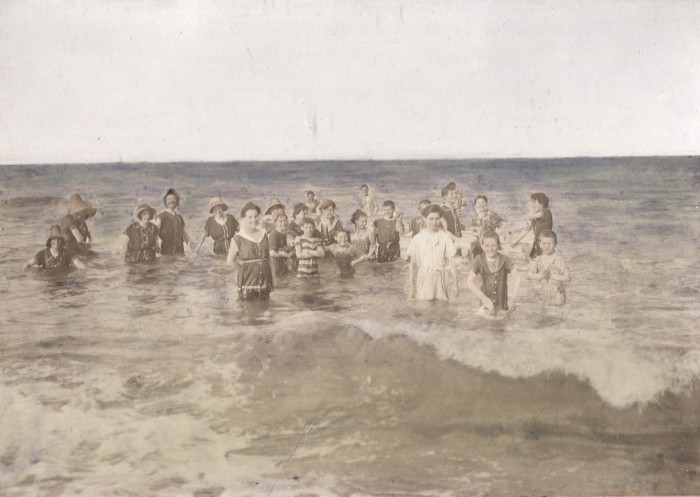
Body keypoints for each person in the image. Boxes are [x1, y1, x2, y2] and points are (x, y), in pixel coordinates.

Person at [407, 205, 458, 300]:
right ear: (424, 219)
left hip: (441, 278)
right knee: (424, 308)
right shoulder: (417, 238)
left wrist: (456, 284)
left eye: (437, 219)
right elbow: (413, 264)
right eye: (431, 219)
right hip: (424, 278)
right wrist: (412, 286)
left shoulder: (445, 237)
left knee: (441, 308)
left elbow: (452, 262)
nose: (434, 222)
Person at [227, 202, 276, 300]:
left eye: (256, 216)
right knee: (248, 312)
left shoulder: (263, 234)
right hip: (247, 284)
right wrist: (243, 269)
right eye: (249, 217)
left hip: (265, 282)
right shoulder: (238, 238)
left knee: (266, 310)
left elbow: (269, 258)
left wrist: (274, 278)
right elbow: (229, 262)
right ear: (243, 219)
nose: (253, 220)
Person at [467, 230, 520, 313]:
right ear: (482, 246)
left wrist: (514, 298)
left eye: (493, 245)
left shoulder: (505, 260)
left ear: (498, 245)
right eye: (487, 245)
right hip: (484, 306)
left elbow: (518, 278)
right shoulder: (479, 260)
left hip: (502, 307)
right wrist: (482, 297)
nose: (490, 248)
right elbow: (469, 281)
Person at [527, 229, 570, 304]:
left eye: (550, 243)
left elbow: (567, 278)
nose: (547, 246)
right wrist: (540, 276)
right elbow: (528, 275)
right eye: (544, 243)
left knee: (556, 313)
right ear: (539, 244)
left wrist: (551, 276)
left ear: (555, 244)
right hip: (544, 295)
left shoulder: (559, 260)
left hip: (558, 296)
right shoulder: (537, 259)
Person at [509, 192, 553, 259]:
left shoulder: (546, 212)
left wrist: (518, 219)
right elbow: (527, 229)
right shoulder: (536, 216)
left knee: (545, 260)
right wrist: (516, 241)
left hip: (546, 243)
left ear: (542, 204)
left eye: (535, 203)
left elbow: (530, 216)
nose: (533, 205)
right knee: (535, 259)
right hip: (538, 243)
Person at [154, 188, 193, 256]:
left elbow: (185, 235)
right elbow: (154, 232)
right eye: (169, 199)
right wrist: (156, 245)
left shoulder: (179, 218)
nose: (171, 201)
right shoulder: (161, 216)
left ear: (177, 201)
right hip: (166, 252)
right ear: (165, 202)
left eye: (173, 199)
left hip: (180, 252)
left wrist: (189, 247)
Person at [268, 213, 296, 277]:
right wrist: (287, 255)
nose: (283, 223)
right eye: (280, 221)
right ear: (275, 223)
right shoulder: (274, 235)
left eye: (285, 220)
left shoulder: (289, 232)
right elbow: (272, 253)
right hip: (278, 265)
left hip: (288, 263)